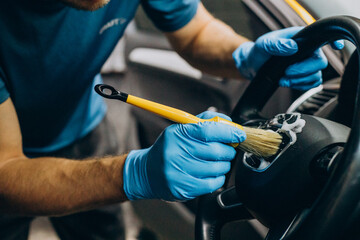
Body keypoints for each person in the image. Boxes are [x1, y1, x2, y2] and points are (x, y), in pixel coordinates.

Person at [0, 0, 343, 239]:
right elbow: (7, 170)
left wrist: (245, 56)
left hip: (86, 126)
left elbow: (194, 32)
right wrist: (133, 173)